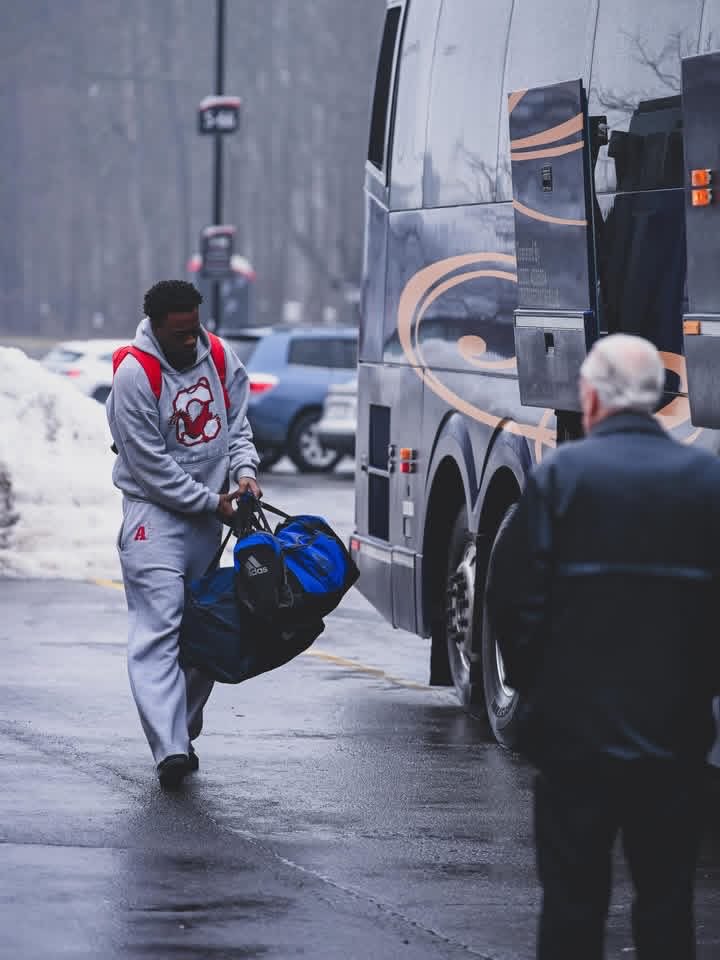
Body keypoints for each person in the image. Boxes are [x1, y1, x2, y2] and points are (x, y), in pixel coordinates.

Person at [487, 333, 720, 960]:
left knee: (572, 901)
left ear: (591, 398)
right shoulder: (709, 480)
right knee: (668, 902)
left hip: (574, 737)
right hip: (675, 734)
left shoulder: (560, 477)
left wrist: (539, 690)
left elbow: (512, 604)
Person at [107, 280, 261, 788]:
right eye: (179, 334)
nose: (190, 342)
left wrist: (244, 475)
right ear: (154, 327)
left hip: (208, 518)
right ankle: (170, 750)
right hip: (154, 519)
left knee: (204, 628)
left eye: (195, 329)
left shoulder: (218, 355)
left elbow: (237, 423)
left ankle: (181, 724)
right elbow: (149, 466)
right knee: (159, 629)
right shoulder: (135, 374)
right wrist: (210, 501)